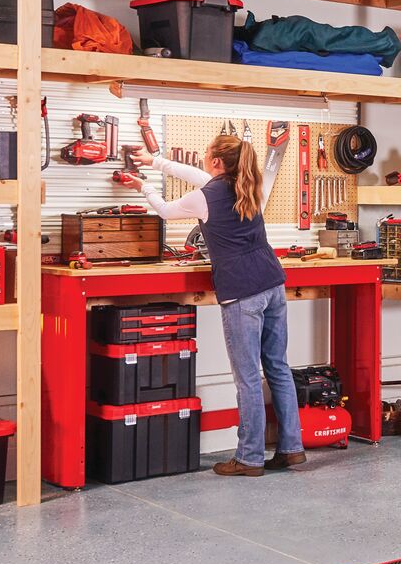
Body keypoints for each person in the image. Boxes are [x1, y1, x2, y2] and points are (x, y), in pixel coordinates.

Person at [121, 135, 305, 477]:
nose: (204, 160)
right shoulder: (245, 185)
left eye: (207, 155)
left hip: (243, 292)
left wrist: (144, 187)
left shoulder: (206, 197)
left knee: (248, 378)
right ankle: (292, 449)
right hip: (273, 285)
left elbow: (164, 210)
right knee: (278, 368)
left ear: (218, 162)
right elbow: (193, 174)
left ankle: (249, 458)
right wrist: (155, 162)